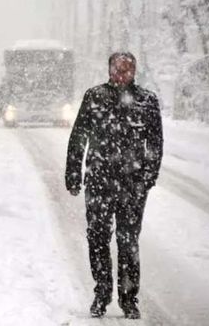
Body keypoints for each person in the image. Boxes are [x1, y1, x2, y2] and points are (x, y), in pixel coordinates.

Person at [65, 52, 163, 319]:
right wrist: (73, 173)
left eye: (127, 69)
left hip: (132, 186)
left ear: (135, 71)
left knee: (128, 241)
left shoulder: (147, 101)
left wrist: (147, 177)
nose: (122, 74)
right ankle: (102, 293)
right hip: (98, 181)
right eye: (118, 69)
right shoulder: (94, 96)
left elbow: (155, 144)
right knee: (97, 238)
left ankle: (129, 298)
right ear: (109, 70)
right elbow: (79, 136)